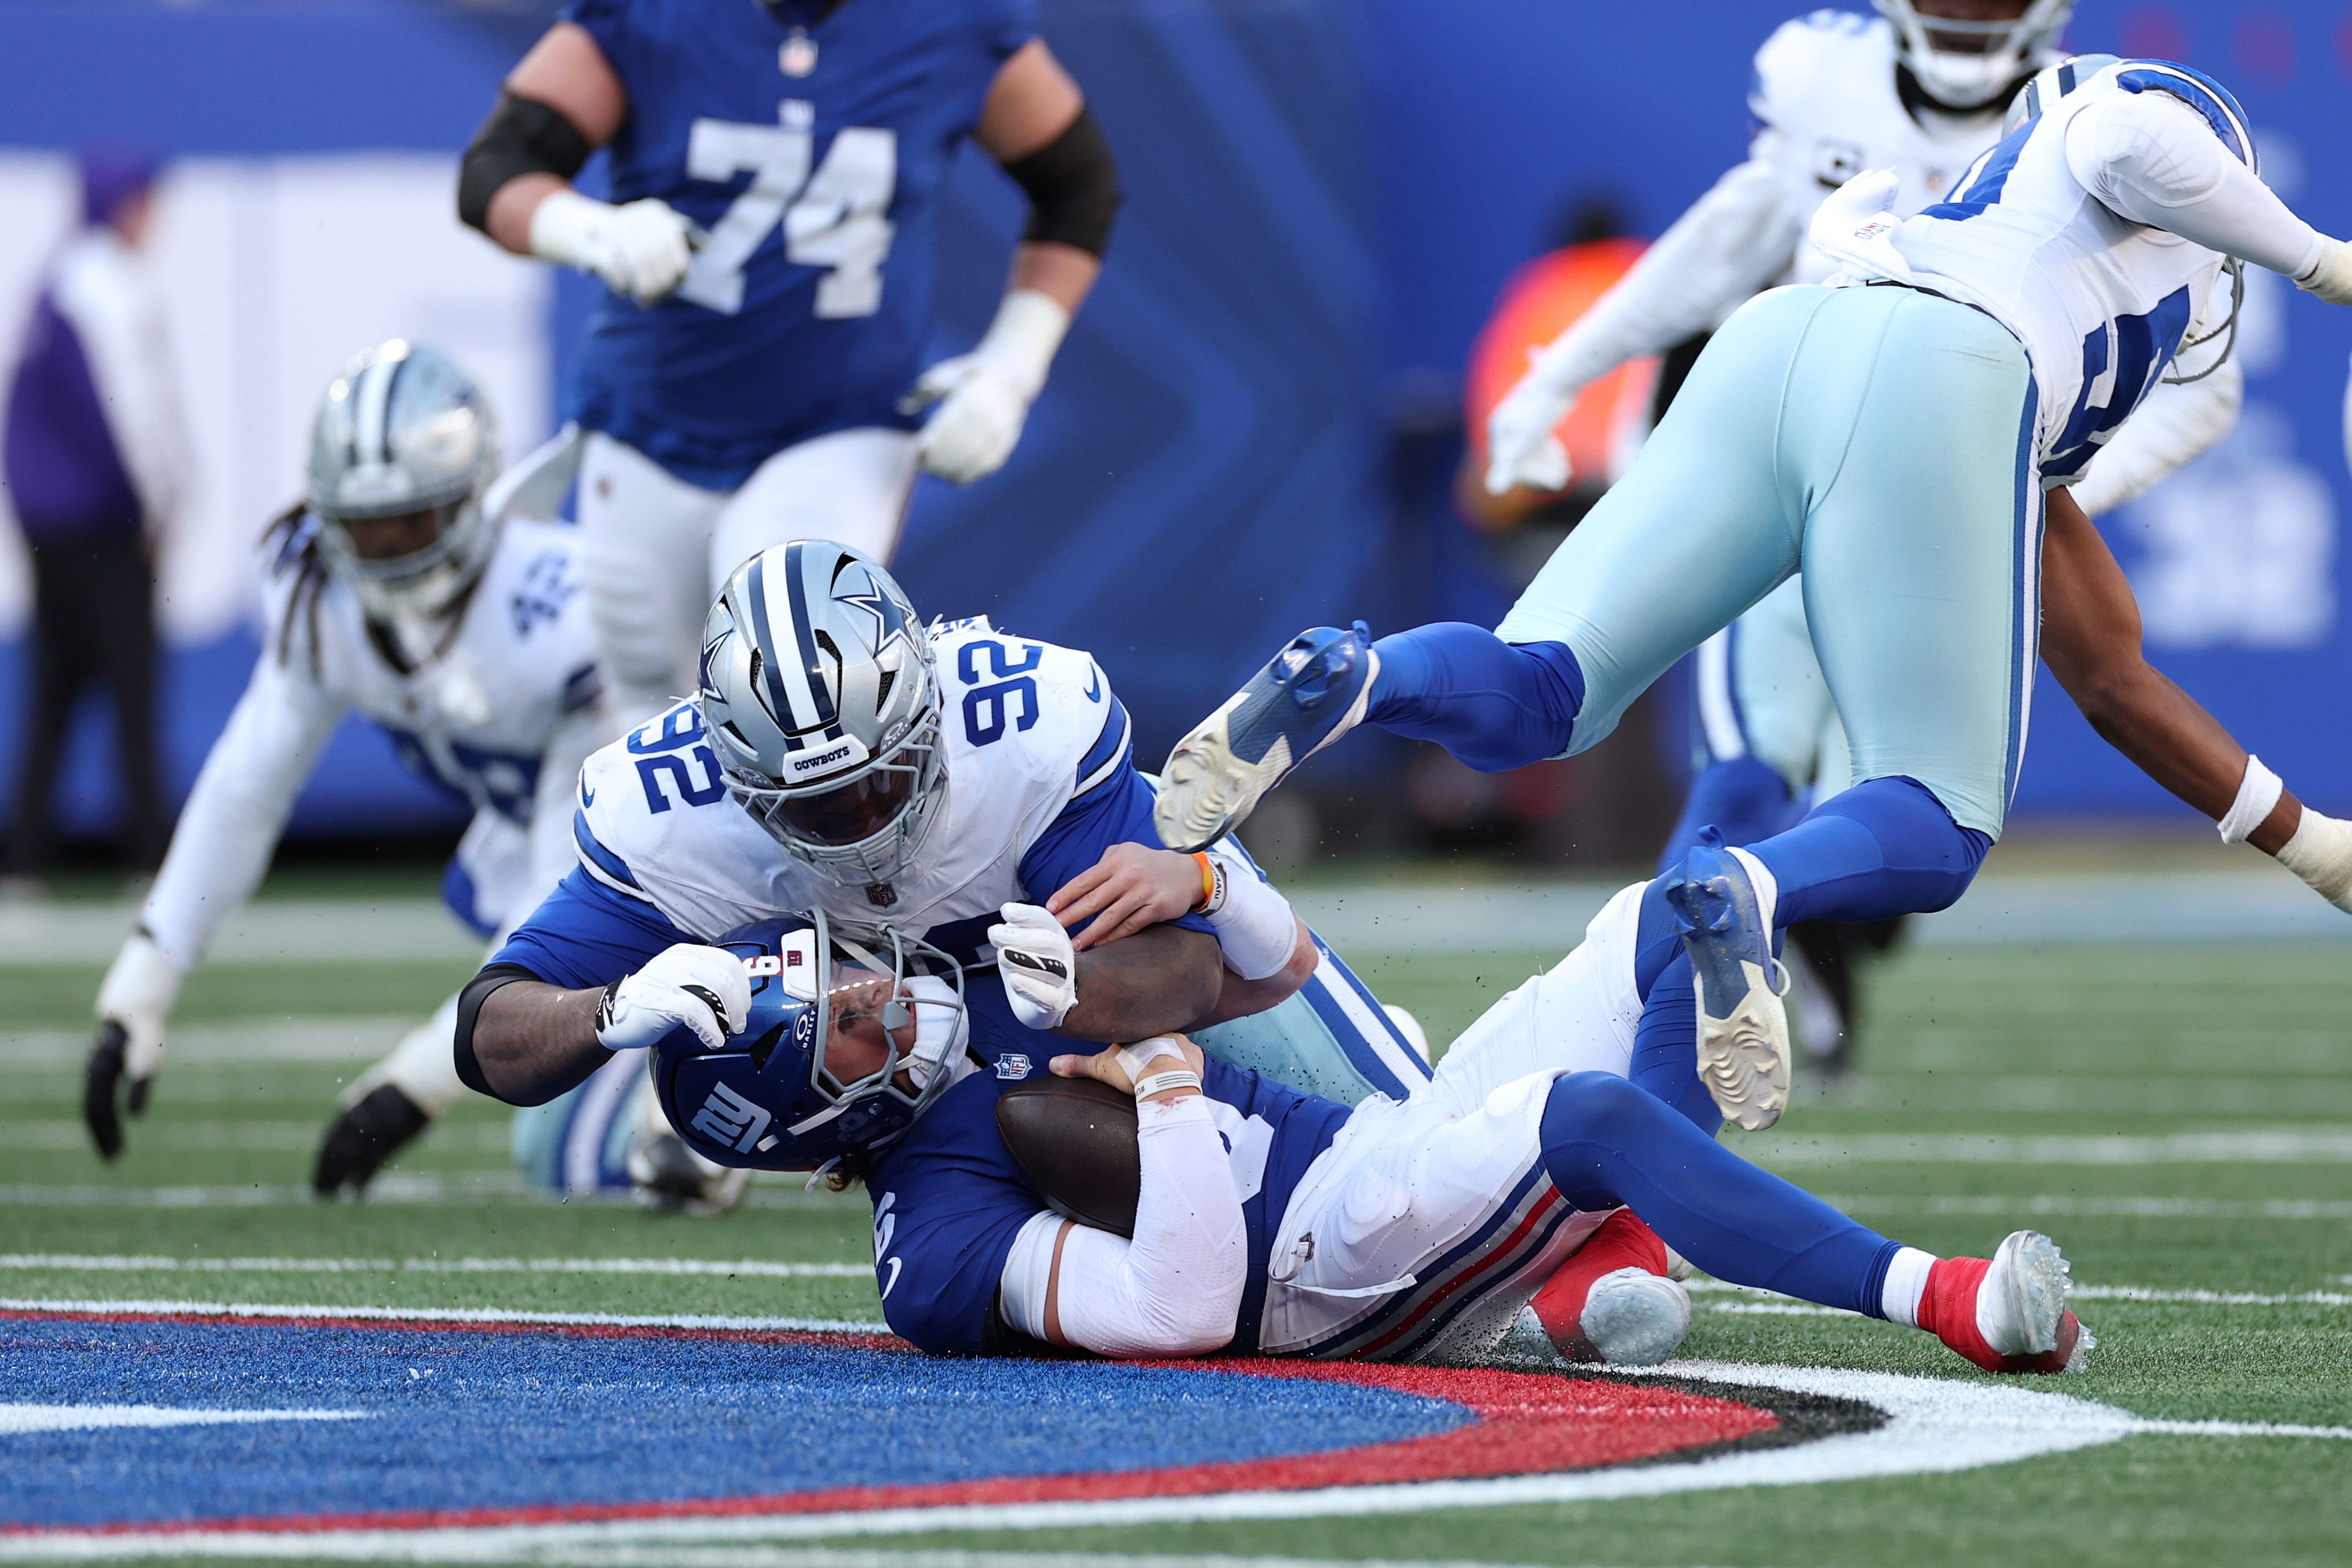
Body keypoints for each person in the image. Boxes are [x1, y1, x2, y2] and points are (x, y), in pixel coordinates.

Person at [1153, 55, 2352, 1133]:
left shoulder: (1989, 264)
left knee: (1540, 691)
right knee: (1932, 820)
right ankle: (1749, 888)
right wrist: (2321, 259)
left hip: (1783, 340)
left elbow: (2109, 673)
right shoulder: (2112, 139)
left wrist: (2313, 846)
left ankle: (1354, 673)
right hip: (1936, 376)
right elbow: (2127, 133)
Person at [1486, 4, 2249, 1077]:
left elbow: (2201, 391)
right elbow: (1724, 240)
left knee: (1886, 839)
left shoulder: (2109, 122)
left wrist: (2021, 490)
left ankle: (1791, 949)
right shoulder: (1821, 80)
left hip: (1934, 515)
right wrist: (1563, 369)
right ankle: (1643, 1023)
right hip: (1788, 459)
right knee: (1746, 771)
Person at [492, 891, 2087, 1375]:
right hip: (1315, 1262)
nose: (876, 995)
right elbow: (1182, 1308)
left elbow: (1239, 954)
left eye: (847, 968)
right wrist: (1168, 1083)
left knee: (1672, 914)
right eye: (843, 1017)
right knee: (1589, 1111)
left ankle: (1591, 1267)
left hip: (1366, 1141)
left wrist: (1169, 928)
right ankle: (1952, 1300)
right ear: (823, 1106)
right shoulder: (934, 1244)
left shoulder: (966, 970)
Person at [456, 0, 1119, 725]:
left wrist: (1011, 370)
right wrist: (589, 231)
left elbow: (1077, 185)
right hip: (652, 425)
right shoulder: (654, 16)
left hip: (839, 425)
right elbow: (497, 168)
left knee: (793, 693)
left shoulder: (946, 20)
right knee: (646, 706)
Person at [79, 343, 608, 1190]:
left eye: (411, 522)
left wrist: (411, 1086)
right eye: (365, 528)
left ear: (471, 498)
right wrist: (146, 974)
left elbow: (577, 900)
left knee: (583, 1150)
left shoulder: (567, 615)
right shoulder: (317, 597)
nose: (389, 552)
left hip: (686, 874)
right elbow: (247, 790)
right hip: (541, 847)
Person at [4, 146, 192, 885]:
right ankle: (151, 857)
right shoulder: (108, 286)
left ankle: (25, 859)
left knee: (53, 690)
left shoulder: (59, 282)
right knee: (131, 686)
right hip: (104, 522)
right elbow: (132, 408)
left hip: (52, 523)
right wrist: (161, 497)